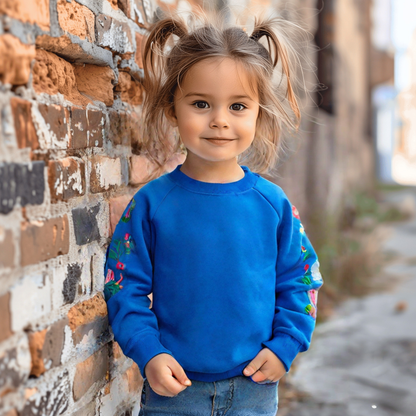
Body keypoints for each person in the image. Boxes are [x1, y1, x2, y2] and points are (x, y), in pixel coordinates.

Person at [104, 8, 323, 416]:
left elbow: (303, 279)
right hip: (174, 390)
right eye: (201, 104)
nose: (220, 120)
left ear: (259, 113)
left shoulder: (272, 205)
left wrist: (285, 345)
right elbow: (123, 288)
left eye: (238, 106)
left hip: (255, 387)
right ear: (173, 108)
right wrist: (149, 353)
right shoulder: (152, 205)